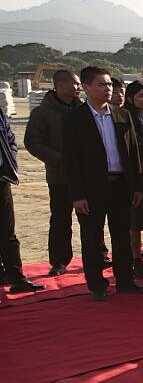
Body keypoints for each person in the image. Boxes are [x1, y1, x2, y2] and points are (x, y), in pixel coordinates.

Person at [62, 66, 143, 300]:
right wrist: (77, 195)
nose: (107, 89)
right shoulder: (74, 119)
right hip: (91, 188)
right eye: (101, 85)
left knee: (121, 235)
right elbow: (71, 161)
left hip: (121, 185)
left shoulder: (122, 115)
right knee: (92, 238)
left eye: (109, 84)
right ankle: (97, 285)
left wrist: (137, 186)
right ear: (86, 87)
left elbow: (133, 153)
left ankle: (126, 281)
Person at [24, 69, 83, 276]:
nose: (78, 87)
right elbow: (33, 142)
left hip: (85, 175)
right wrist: (59, 159)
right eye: (75, 84)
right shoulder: (42, 113)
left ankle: (98, 255)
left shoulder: (83, 110)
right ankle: (59, 261)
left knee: (91, 219)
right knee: (60, 219)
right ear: (60, 86)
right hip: (60, 176)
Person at [0, 103, 44, 294]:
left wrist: (10, 162)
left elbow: (10, 139)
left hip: (1, 178)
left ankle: (16, 278)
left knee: (7, 232)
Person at [121, 80, 143, 278]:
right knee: (135, 223)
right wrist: (140, 168)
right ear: (131, 98)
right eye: (141, 95)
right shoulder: (124, 118)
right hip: (134, 177)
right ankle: (136, 259)